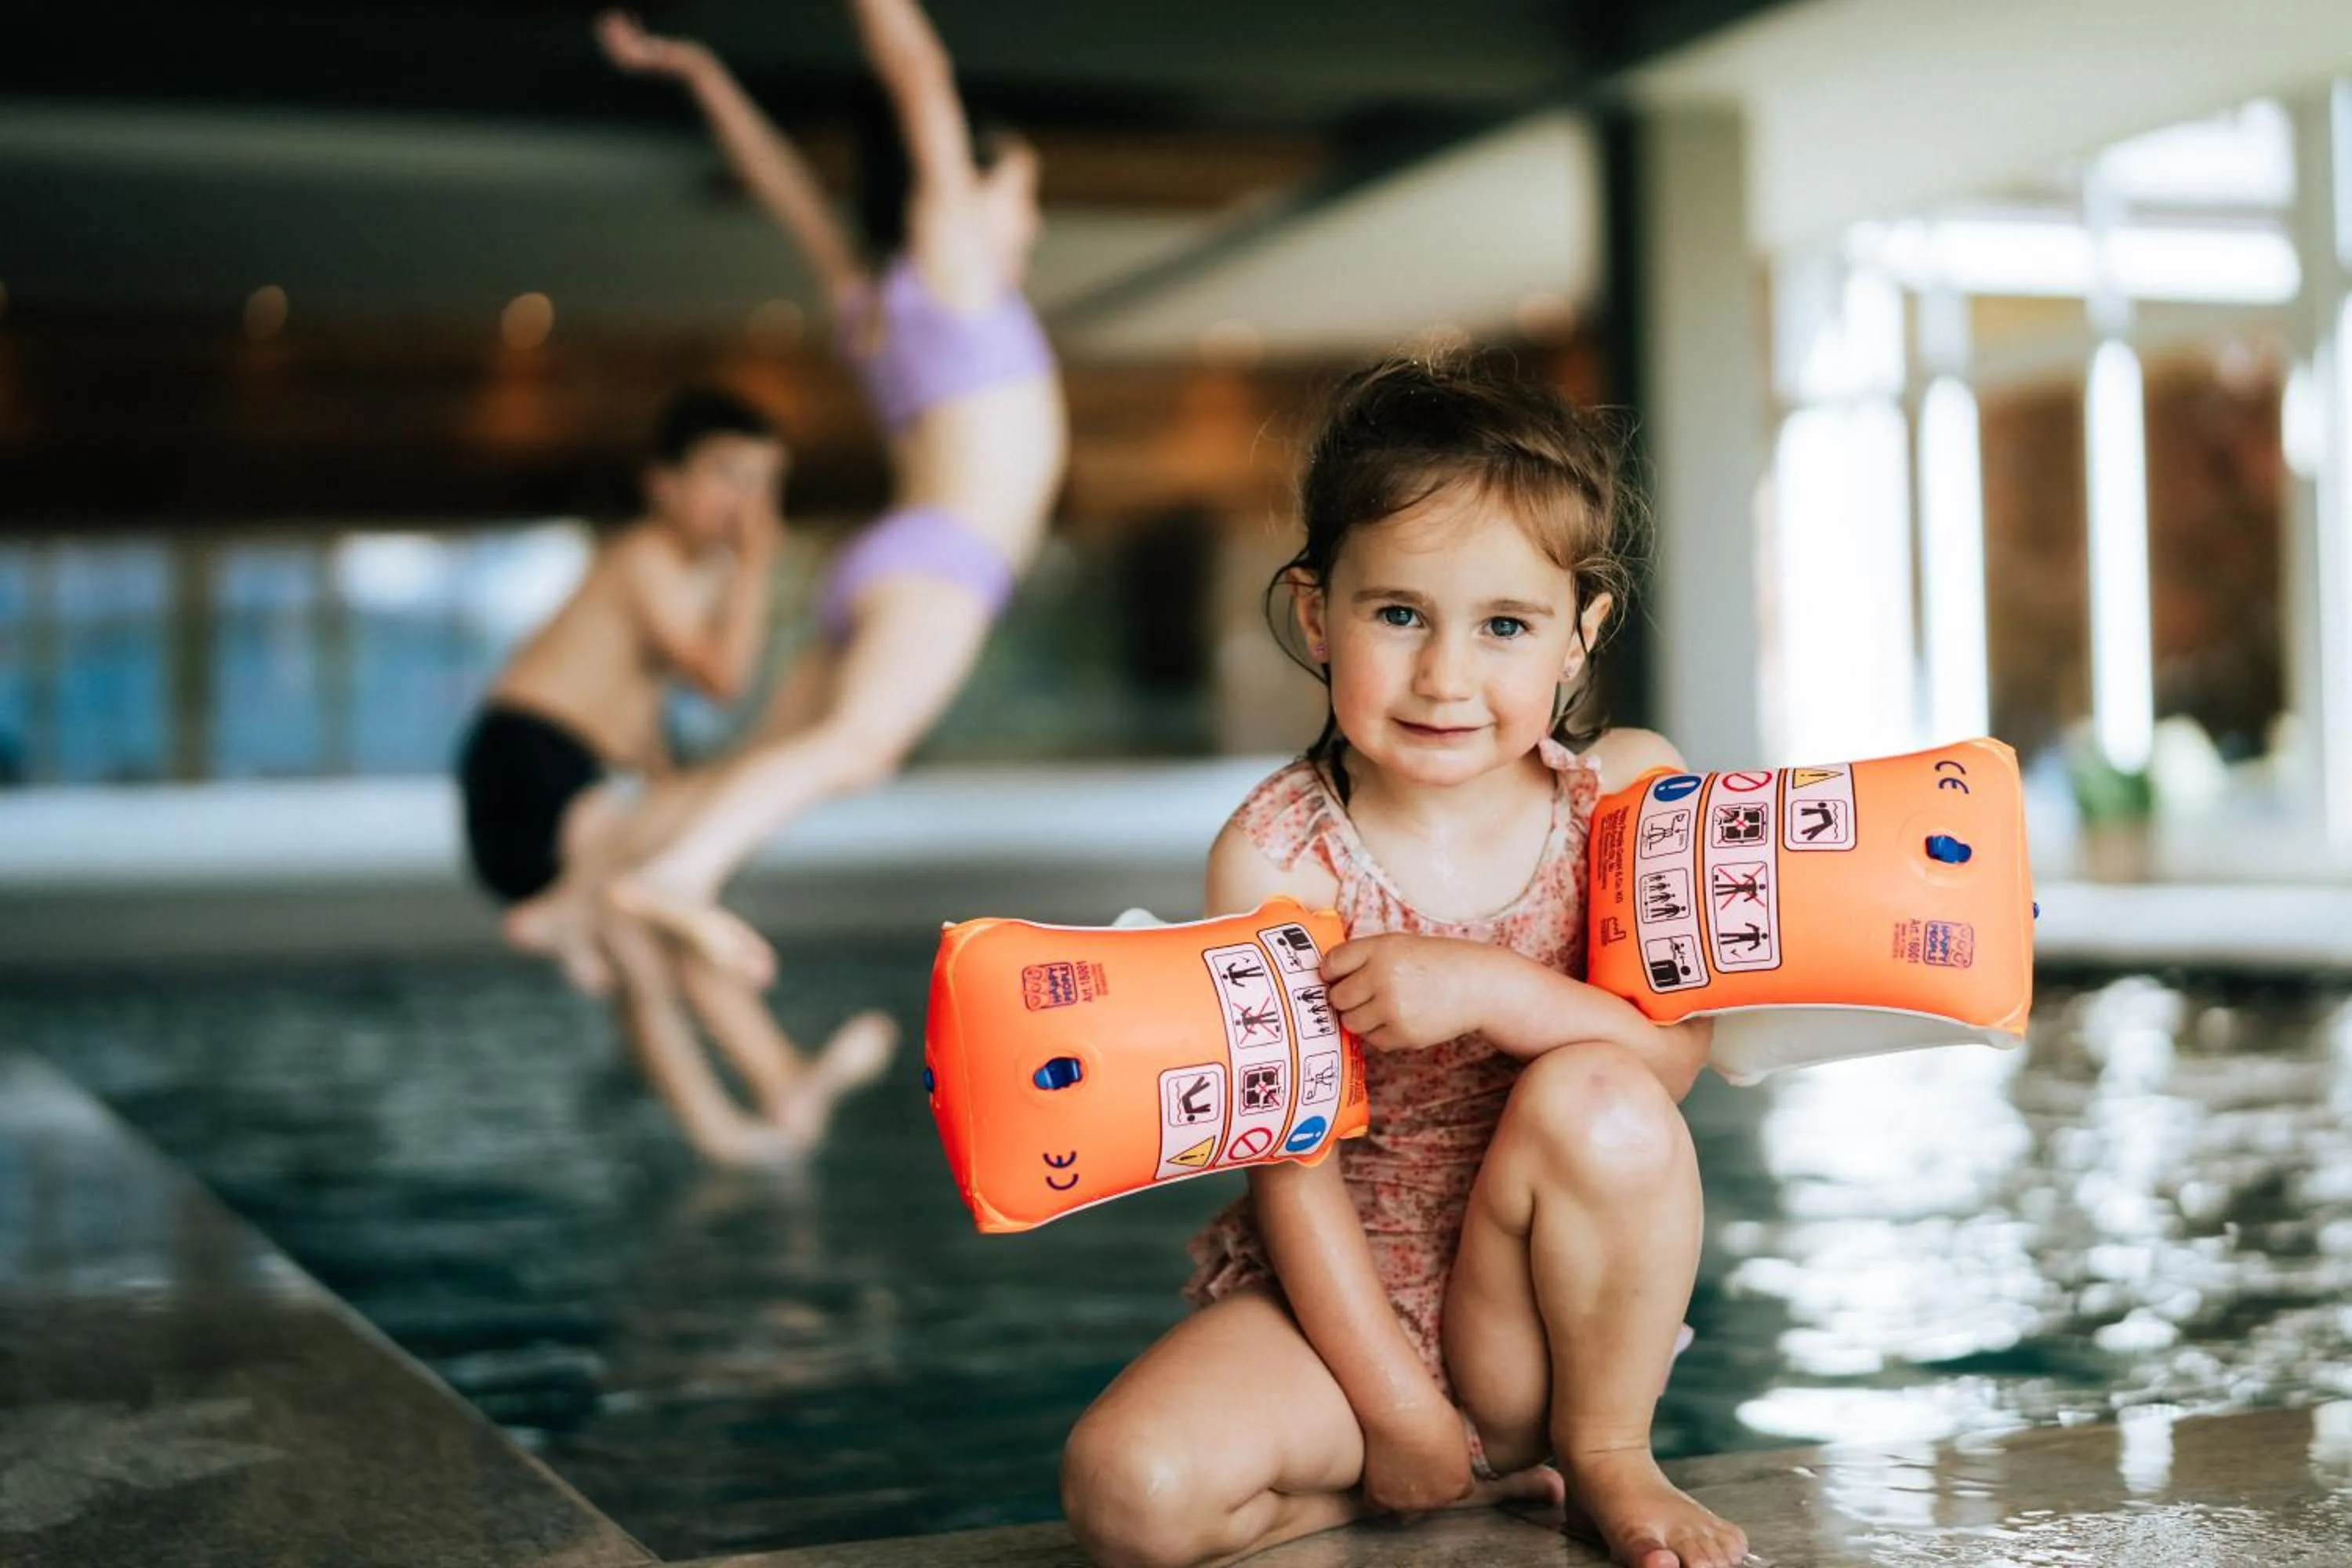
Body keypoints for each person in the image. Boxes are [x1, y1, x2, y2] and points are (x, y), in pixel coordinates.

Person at [1058, 358, 1749, 1568]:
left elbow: (1673, 1066)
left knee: (1601, 1096)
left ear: (1579, 637)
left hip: (1537, 1310)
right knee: (1130, 1491)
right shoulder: (1280, 856)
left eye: (1504, 626)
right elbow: (1289, 1162)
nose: (1444, 676)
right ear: (1318, 615)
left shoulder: (1626, 792)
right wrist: (1394, 1409)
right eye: (1398, 615)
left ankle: (1603, 1456)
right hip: (1332, 1310)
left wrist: (1486, 986)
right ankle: (1431, 1481)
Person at [576, 0, 1067, 976]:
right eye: (1022, 192)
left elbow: (783, 185)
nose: (1035, 218)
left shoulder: (872, 301)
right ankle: (678, 878)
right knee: (859, 746)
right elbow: (918, 74)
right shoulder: (956, 267)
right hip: (944, 558)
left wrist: (704, 78)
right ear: (964, 190)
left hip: (890, 556)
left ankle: (577, 893)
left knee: (762, 762)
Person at [458, 387, 893, 1165]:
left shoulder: (689, 578)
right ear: (663, 483)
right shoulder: (645, 558)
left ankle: (744, 1119)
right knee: (689, 850)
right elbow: (722, 679)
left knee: (650, 947)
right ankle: (567, 908)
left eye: (765, 482)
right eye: (728, 475)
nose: (749, 504)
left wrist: (668, 792)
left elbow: (639, 717)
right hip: (526, 763)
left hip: (571, 775)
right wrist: (760, 564)